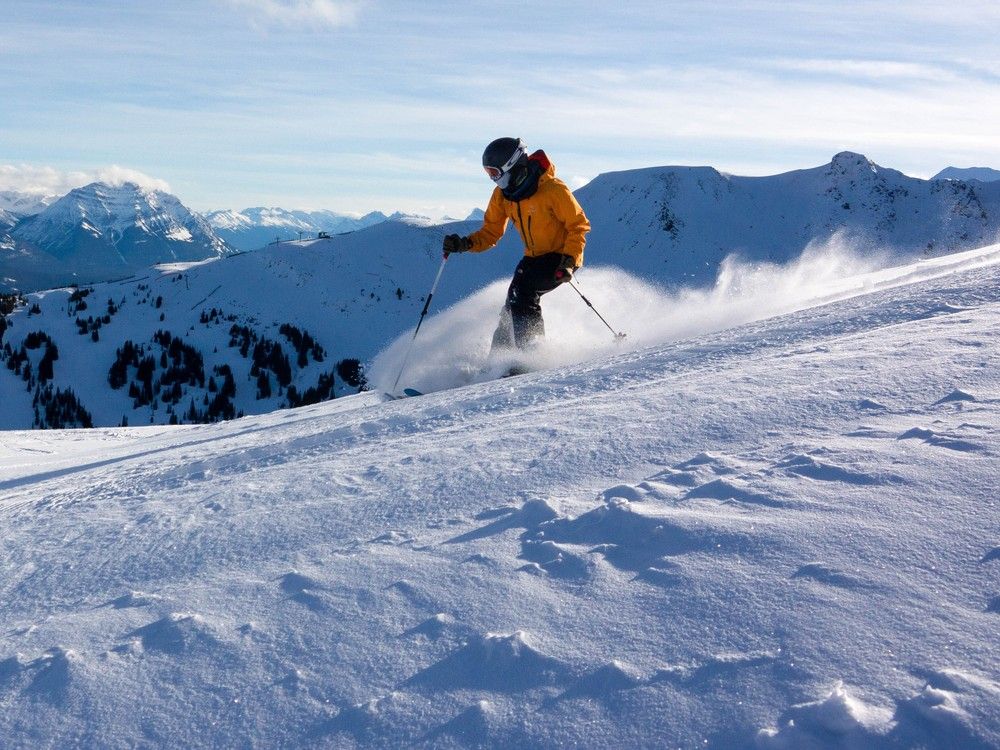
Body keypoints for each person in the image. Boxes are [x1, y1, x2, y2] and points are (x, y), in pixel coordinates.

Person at [443, 137, 591, 355]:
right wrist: (465, 244)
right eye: (488, 173)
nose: (493, 179)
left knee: (523, 293)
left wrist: (569, 260)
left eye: (494, 172)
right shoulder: (504, 195)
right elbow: (491, 232)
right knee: (511, 305)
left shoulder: (552, 189)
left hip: (560, 257)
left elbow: (578, 226)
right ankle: (498, 362)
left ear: (510, 164)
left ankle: (532, 355)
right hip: (533, 257)